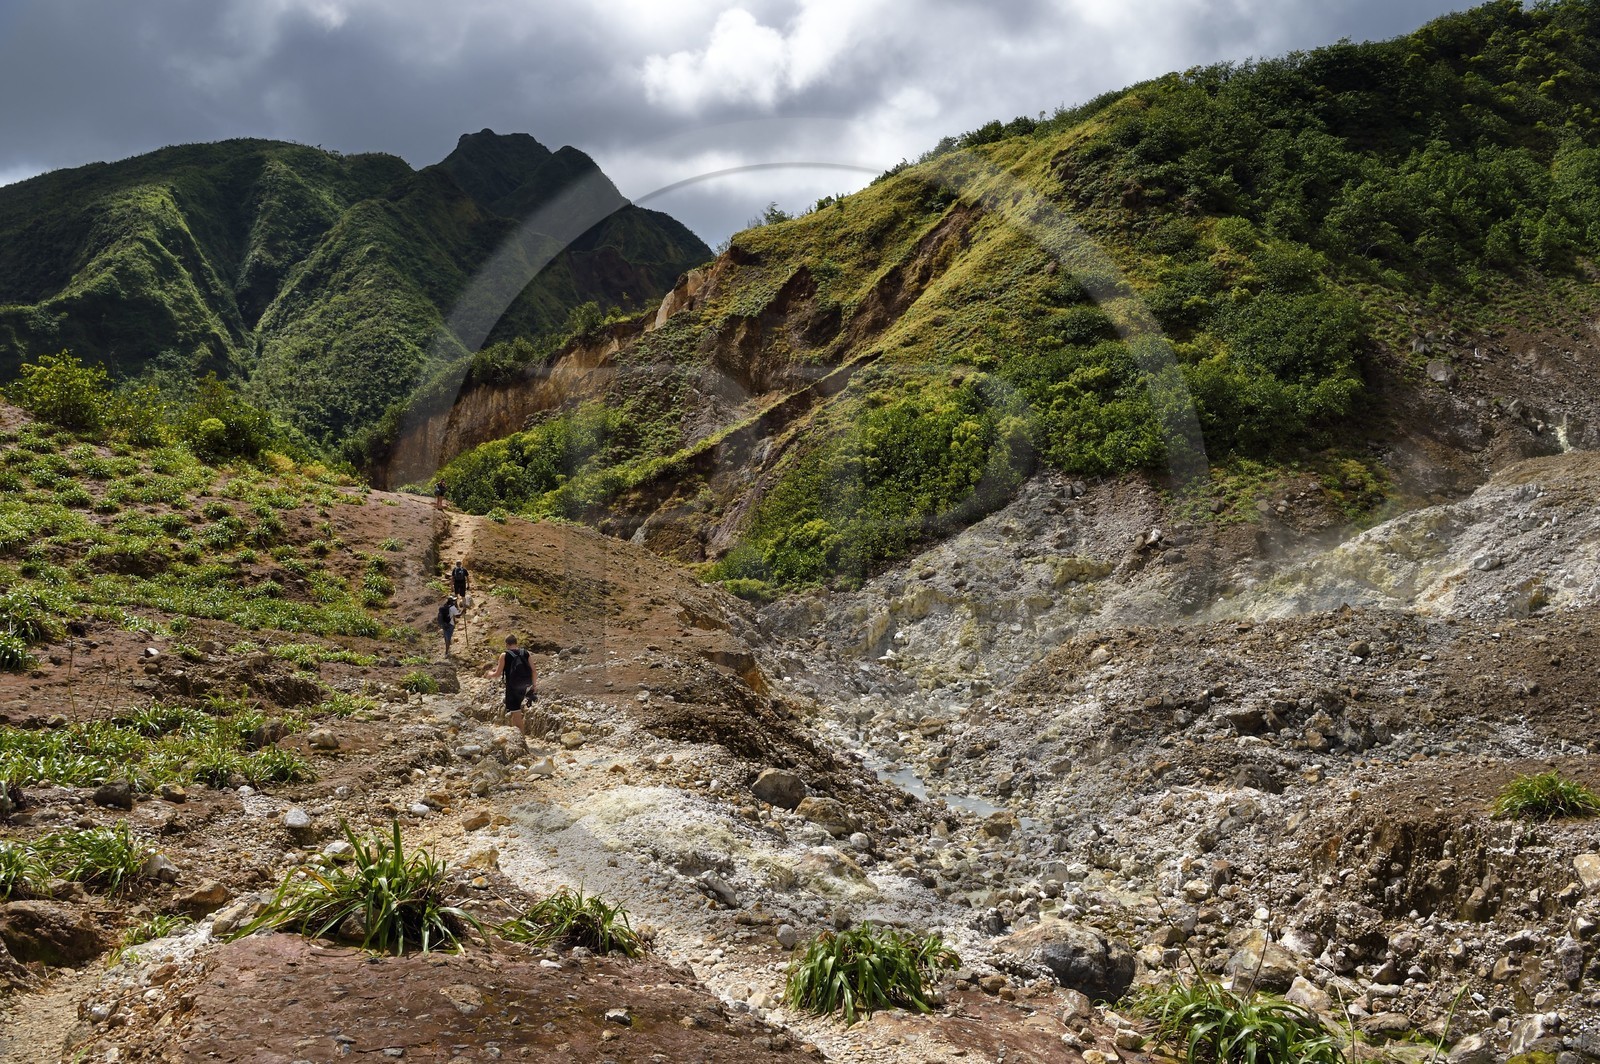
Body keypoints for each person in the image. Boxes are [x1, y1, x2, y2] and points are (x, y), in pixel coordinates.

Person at [485, 635, 536, 735]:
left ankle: (522, 739)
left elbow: (497, 674)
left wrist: (489, 674)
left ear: (506, 644)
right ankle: (514, 735)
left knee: (516, 714)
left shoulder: (504, 655)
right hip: (527, 686)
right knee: (515, 712)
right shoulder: (525, 653)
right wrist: (534, 685)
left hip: (513, 688)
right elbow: (534, 671)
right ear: (516, 643)